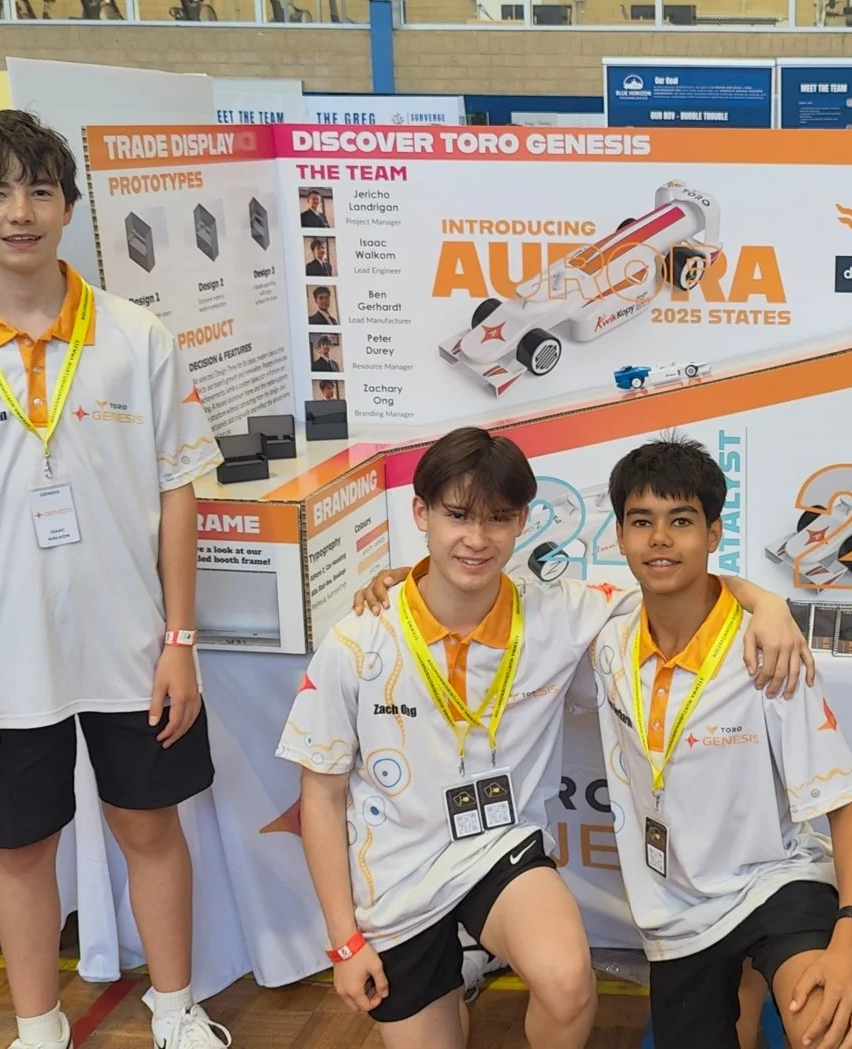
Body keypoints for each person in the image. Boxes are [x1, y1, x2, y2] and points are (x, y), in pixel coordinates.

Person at [0, 110, 229, 1049]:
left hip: (133, 648)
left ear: (66, 205)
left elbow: (181, 494)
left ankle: (176, 1013)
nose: (21, 211)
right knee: (20, 848)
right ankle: (36, 1026)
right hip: (1, 662)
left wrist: (180, 641)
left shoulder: (139, 339)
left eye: (40, 190)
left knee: (150, 829)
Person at [289, 427, 813, 1049]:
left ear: (521, 523)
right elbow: (319, 798)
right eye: (457, 516)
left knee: (567, 983)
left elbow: (677, 581)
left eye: (498, 519)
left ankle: (470, 959)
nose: (477, 539)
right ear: (420, 513)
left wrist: (770, 603)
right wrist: (345, 942)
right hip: (397, 879)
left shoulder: (561, 611)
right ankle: (452, 976)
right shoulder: (357, 640)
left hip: (496, 848)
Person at [588, 438, 852, 1049]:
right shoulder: (606, 639)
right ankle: (747, 998)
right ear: (619, 537)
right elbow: (496, 599)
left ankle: (769, 990)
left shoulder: (766, 652)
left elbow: (850, 804)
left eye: (682, 521)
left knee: (831, 1027)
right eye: (642, 522)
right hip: (677, 910)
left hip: (774, 881)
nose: (661, 539)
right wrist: (409, 572)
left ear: (715, 533)